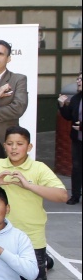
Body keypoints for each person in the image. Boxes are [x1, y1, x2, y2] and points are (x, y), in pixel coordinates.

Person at [0, 126, 67, 280]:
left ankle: (45, 260)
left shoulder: (39, 168)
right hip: (0, 235)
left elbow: (62, 196)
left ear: (29, 147)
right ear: (4, 145)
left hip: (31, 236)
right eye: (10, 143)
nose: (14, 148)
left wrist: (29, 186)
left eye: (19, 143)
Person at [58, 72, 82, 204]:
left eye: (81, 79)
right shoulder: (76, 98)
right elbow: (68, 116)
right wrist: (62, 105)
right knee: (77, 167)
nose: (78, 82)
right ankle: (75, 195)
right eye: (78, 79)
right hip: (77, 140)